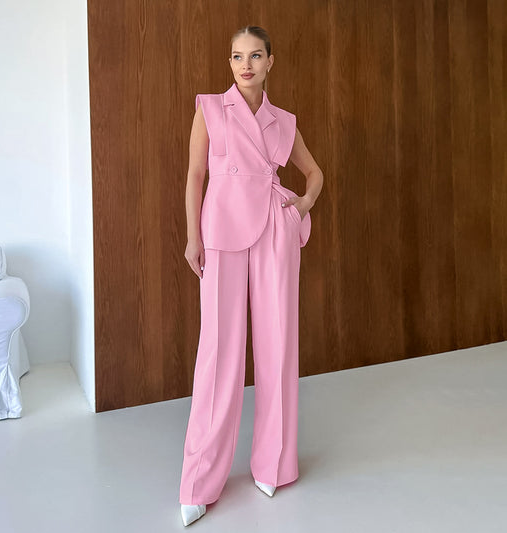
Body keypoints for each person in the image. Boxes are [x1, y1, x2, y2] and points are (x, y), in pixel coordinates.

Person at [179, 25, 323, 526]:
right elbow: (195, 175)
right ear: (230, 63)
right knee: (219, 351)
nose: (246, 65)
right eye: (238, 56)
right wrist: (193, 237)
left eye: (255, 56)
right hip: (220, 231)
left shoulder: (283, 121)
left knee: (277, 344)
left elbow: (315, 173)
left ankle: (274, 464)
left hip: (273, 232)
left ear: (270, 62)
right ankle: (199, 481)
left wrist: (300, 206)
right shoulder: (209, 109)